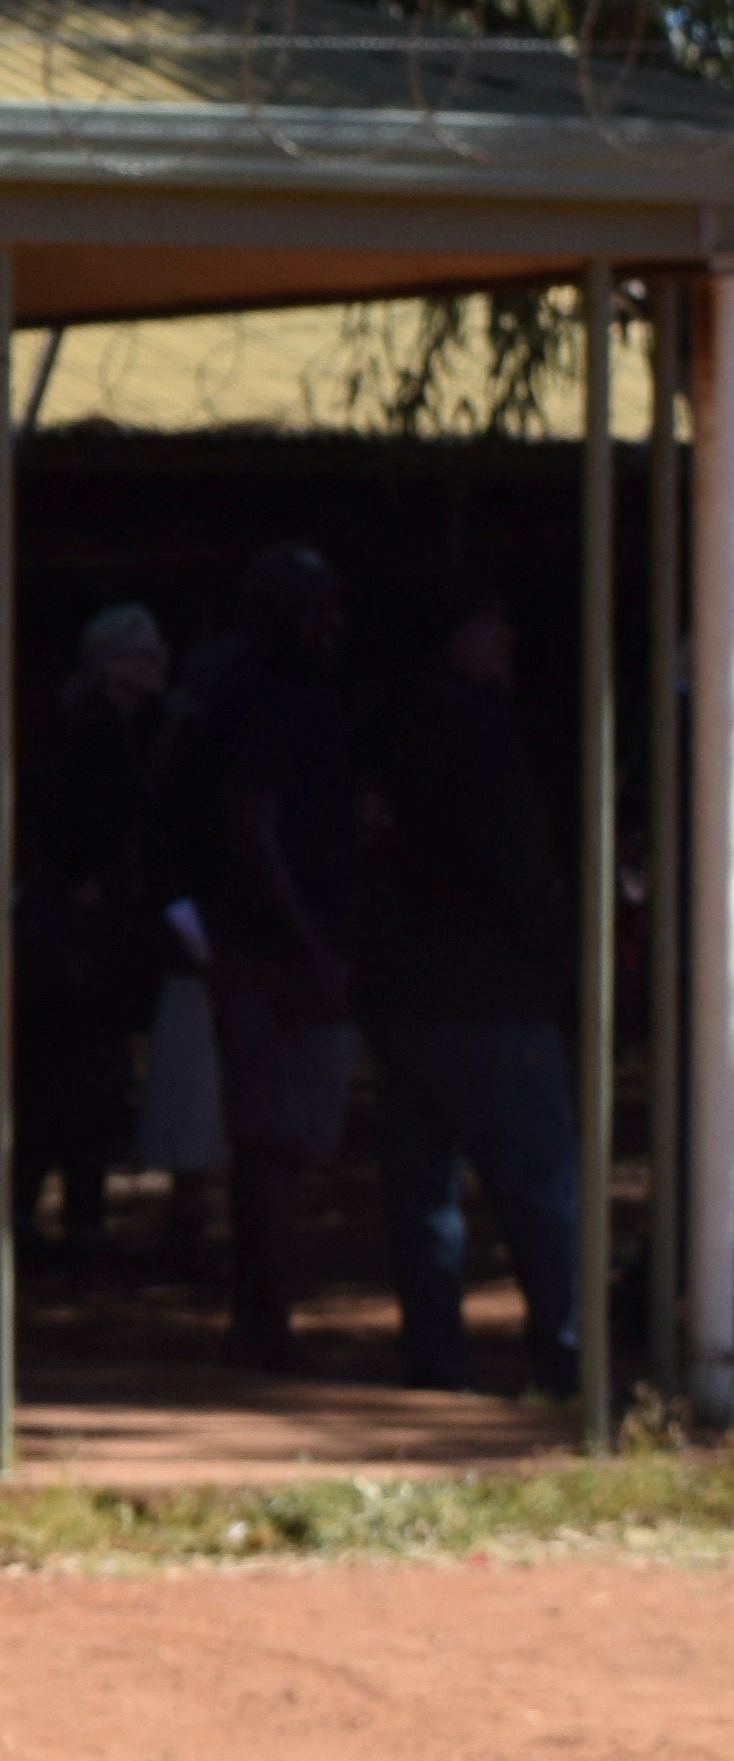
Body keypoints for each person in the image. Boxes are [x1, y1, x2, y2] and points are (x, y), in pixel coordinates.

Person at [362, 571, 583, 1397]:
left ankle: (435, 1357)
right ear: (461, 634)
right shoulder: (477, 725)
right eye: (495, 623)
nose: (509, 640)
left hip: (402, 994)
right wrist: (559, 954)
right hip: (487, 996)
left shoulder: (385, 721)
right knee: (537, 1183)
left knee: (421, 1189)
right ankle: (564, 1358)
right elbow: (514, 863)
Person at [172, 545, 373, 1372]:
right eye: (317, 607)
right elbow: (254, 829)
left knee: (281, 1139)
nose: (334, 624)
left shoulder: (296, 697)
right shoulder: (266, 702)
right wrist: (311, 943)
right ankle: (263, 1319)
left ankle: (262, 1315)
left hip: (281, 945)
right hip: (274, 952)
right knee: (271, 1140)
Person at [18, 605, 176, 1250]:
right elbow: (82, 830)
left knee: (83, 1077)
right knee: (74, 1075)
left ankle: (73, 1210)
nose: (158, 662)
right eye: (143, 652)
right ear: (112, 663)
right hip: (79, 940)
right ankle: (60, 1213)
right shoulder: (95, 736)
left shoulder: (121, 732)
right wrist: (87, 886)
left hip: (90, 933)